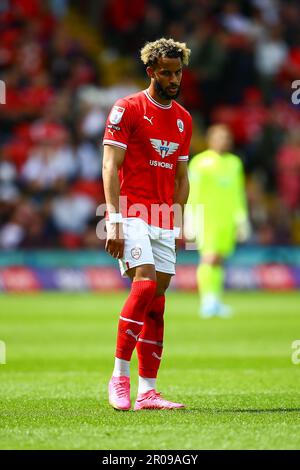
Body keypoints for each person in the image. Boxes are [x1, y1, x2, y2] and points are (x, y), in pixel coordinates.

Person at [102, 38, 192, 410]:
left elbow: (182, 177)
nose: (173, 79)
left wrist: (179, 219)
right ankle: (119, 377)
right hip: (132, 209)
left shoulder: (184, 119)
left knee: (157, 304)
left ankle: (148, 391)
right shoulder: (127, 108)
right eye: (166, 73)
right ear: (151, 71)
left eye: (178, 73)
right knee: (144, 284)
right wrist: (113, 218)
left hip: (162, 217)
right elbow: (110, 165)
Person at [187, 124, 249, 318]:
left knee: (219, 259)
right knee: (209, 257)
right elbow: (192, 192)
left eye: (227, 137)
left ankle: (216, 299)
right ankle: (207, 300)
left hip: (227, 218)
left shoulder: (235, 163)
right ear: (210, 139)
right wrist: (189, 217)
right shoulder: (199, 163)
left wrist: (241, 218)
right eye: (220, 137)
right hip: (207, 217)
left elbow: (238, 193)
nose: (225, 141)